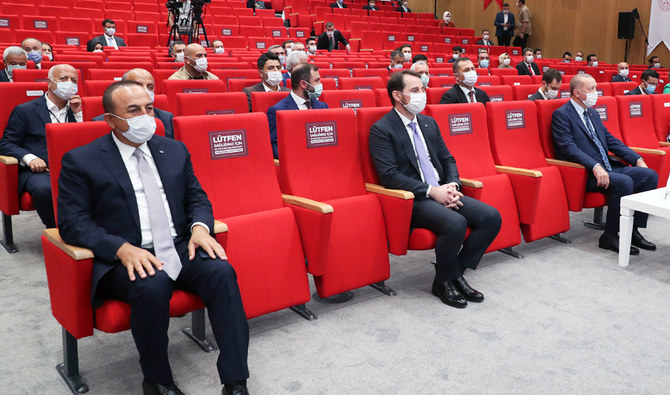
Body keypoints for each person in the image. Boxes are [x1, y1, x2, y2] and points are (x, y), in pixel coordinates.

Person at [57, 80, 250, 395]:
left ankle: (236, 380)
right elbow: (73, 223)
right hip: (125, 256)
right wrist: (120, 248)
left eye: (148, 108)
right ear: (110, 120)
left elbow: (197, 198)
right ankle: (157, 381)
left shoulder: (173, 149)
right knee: (153, 282)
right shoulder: (81, 160)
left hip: (177, 246)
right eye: (133, 111)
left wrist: (201, 227)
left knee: (222, 272)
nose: (145, 117)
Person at [369, 70, 501, 308]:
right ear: (397, 96)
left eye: (423, 89)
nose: (423, 94)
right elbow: (389, 176)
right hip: (414, 198)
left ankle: (449, 275)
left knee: (491, 217)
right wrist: (432, 191)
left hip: (442, 190)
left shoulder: (428, 123)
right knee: (456, 223)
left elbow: (448, 159)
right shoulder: (382, 129)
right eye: (416, 91)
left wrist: (453, 185)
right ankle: (448, 280)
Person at [552, 74, 658, 255]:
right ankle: (609, 236)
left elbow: (610, 140)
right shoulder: (562, 115)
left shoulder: (592, 112)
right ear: (577, 93)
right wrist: (594, 166)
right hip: (586, 173)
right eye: (591, 89)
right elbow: (568, 148)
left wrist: (636, 158)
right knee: (624, 182)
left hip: (607, 166)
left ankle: (632, 230)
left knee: (649, 175)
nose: (596, 93)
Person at [0, 64, 82, 229]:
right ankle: (58, 231)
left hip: (73, 167)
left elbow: (86, 141)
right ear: (49, 82)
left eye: (74, 80)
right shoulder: (26, 110)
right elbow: (6, 143)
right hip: (39, 170)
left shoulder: (78, 110)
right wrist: (30, 158)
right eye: (63, 79)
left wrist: (79, 114)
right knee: (45, 189)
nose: (69, 83)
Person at [266, 63, 328, 159]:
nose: (320, 84)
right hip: (296, 162)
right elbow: (274, 146)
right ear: (303, 84)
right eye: (317, 81)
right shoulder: (278, 111)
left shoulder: (323, 106)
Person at [93, 69, 175, 140]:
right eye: (137, 86)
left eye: (150, 87)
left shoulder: (166, 118)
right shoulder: (100, 123)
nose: (145, 91)